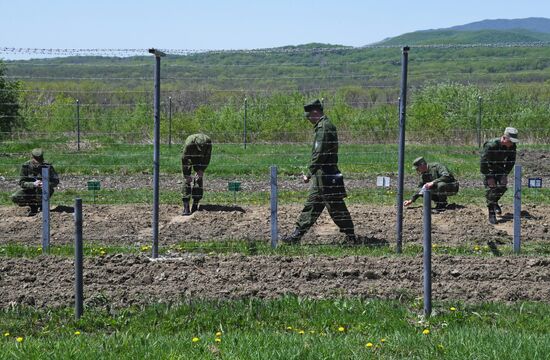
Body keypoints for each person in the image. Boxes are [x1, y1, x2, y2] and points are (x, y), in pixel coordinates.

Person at [281, 99, 356, 245]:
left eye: (309, 116)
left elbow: (320, 153)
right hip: (321, 176)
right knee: (312, 205)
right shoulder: (324, 126)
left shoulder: (324, 128)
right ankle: (296, 236)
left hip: (327, 176)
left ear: (315, 112)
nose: (308, 120)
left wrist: (309, 172)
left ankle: (351, 237)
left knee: (336, 207)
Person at [480, 127, 519, 224]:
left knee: (502, 187)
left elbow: (511, 161)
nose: (512, 144)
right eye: (510, 141)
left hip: (500, 168)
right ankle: (491, 212)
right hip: (488, 168)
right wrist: (489, 177)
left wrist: (505, 174)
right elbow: (483, 162)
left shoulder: (512, 146)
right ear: (504, 138)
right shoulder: (491, 145)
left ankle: (494, 202)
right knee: (491, 189)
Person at [11, 148, 59, 216]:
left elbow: (56, 180)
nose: (38, 162)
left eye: (40, 160)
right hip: (30, 190)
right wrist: (33, 184)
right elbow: (21, 182)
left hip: (44, 190)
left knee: (41, 191)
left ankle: (43, 207)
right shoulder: (25, 166)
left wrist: (45, 184)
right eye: (36, 160)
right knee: (15, 197)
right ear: (32, 157)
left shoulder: (48, 166)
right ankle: (33, 207)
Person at [181, 133, 212, 216]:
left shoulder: (208, 142)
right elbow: (184, 159)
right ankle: (186, 206)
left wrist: (201, 170)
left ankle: (195, 203)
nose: (201, 149)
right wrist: (187, 174)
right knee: (186, 180)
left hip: (200, 158)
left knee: (199, 178)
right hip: (189, 156)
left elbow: (207, 157)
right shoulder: (189, 144)